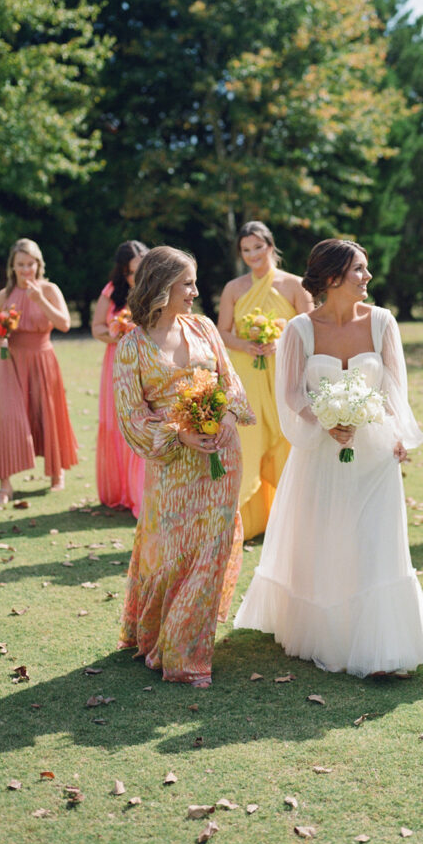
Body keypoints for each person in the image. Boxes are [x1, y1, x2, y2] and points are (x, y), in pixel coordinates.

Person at [233, 238, 423, 677]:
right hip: (320, 453)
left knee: (375, 540)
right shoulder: (298, 330)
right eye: (359, 270)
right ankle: (331, 628)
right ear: (332, 278)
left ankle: (381, 648)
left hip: (373, 452)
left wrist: (399, 436)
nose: (368, 277)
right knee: (330, 537)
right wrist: (325, 418)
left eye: (366, 269)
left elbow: (393, 387)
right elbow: (291, 392)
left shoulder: (383, 322)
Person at [113, 246, 255, 687]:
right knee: (171, 553)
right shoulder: (131, 346)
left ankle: (187, 655)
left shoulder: (204, 328)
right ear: (161, 287)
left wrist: (227, 419)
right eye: (187, 284)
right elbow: (131, 415)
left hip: (221, 458)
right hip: (173, 465)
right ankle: (156, 633)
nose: (196, 292)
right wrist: (180, 434)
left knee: (211, 550)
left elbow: (231, 384)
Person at [217, 221, 313, 540]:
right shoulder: (234, 288)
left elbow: (311, 329)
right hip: (247, 371)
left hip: (285, 369)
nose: (253, 254)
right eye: (246, 250)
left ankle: (292, 519)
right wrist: (245, 344)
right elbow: (222, 332)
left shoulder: (295, 285)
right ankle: (249, 518)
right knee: (250, 438)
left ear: (271, 246)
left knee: (286, 436)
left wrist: (282, 337)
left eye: (258, 247)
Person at [0, 238, 78, 507]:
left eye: (30, 264)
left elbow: (64, 324)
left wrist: (40, 299)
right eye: (21, 265)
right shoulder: (4, 296)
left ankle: (56, 473)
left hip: (42, 359)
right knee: (6, 419)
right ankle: (5, 486)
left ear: (38, 264)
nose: (26, 269)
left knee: (46, 415)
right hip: (11, 362)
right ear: (12, 267)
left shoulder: (49, 290)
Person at [91, 240, 148, 517]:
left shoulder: (157, 289)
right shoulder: (113, 291)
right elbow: (97, 327)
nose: (135, 277)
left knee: (141, 419)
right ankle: (120, 490)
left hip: (148, 362)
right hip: (117, 362)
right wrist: (117, 334)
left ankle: (140, 490)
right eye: (130, 272)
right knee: (117, 421)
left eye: (140, 270)